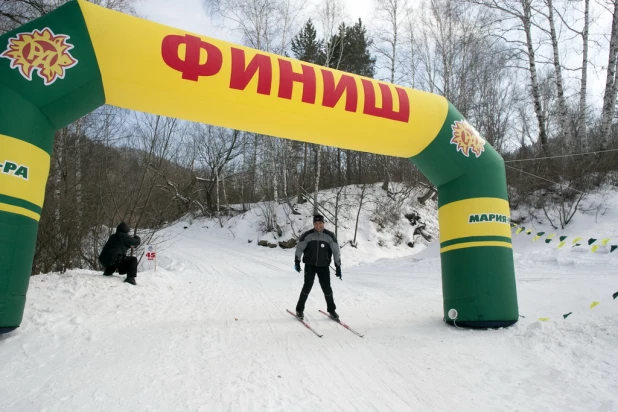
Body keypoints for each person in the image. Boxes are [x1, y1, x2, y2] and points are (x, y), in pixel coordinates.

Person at [294, 214, 342, 320]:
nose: (318, 225)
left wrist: (338, 266)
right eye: (316, 223)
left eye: (320, 223)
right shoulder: (307, 235)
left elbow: (336, 252)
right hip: (310, 266)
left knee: (327, 288)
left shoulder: (330, 235)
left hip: (323, 267)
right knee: (307, 286)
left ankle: (331, 310)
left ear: (323, 223)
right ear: (313, 224)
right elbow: (299, 248)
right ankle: (299, 309)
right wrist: (297, 262)